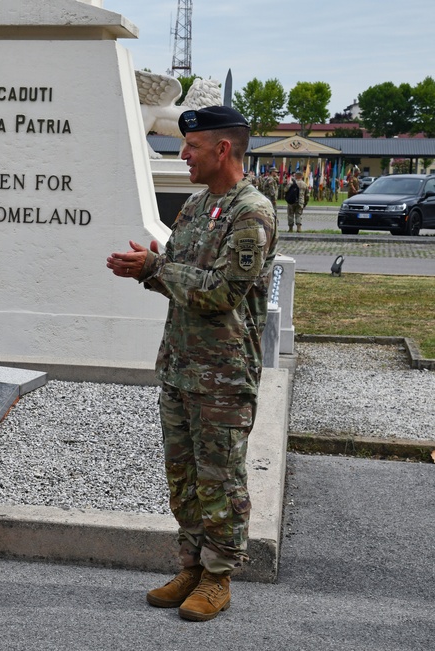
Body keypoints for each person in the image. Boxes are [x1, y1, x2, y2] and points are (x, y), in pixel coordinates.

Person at [106, 106, 277, 621]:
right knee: (182, 475)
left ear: (222, 150)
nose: (182, 154)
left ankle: (218, 577)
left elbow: (223, 292)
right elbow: (178, 276)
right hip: (180, 365)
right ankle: (191, 566)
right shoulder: (196, 207)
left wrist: (158, 268)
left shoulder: (253, 213)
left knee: (219, 477)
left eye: (193, 147)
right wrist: (148, 270)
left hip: (223, 374)